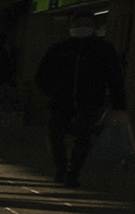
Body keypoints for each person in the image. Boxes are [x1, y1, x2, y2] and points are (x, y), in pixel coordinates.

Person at [35, 9, 127, 187]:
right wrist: (52, 93)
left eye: (87, 24)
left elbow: (115, 78)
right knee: (56, 136)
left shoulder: (103, 49)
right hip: (60, 102)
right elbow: (42, 75)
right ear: (72, 26)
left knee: (83, 138)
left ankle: (73, 172)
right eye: (79, 24)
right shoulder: (59, 49)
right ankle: (61, 167)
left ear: (94, 26)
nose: (82, 27)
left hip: (90, 102)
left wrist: (119, 105)